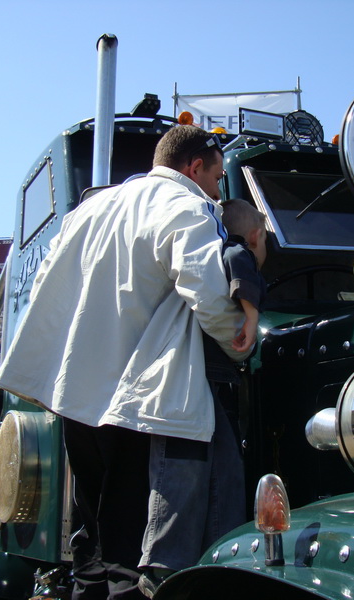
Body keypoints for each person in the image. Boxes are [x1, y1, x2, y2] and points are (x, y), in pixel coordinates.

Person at [0, 125, 251, 600]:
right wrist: (243, 342)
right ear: (195, 168)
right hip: (138, 405)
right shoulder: (187, 205)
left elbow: (47, 286)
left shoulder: (87, 210)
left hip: (76, 402)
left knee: (93, 549)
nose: (218, 190)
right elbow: (211, 295)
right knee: (130, 559)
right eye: (216, 178)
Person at [137, 198, 268, 597]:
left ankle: (210, 558)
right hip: (207, 378)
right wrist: (251, 313)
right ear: (258, 236)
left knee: (217, 469)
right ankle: (166, 564)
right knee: (200, 467)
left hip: (206, 378)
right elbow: (237, 255)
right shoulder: (235, 247)